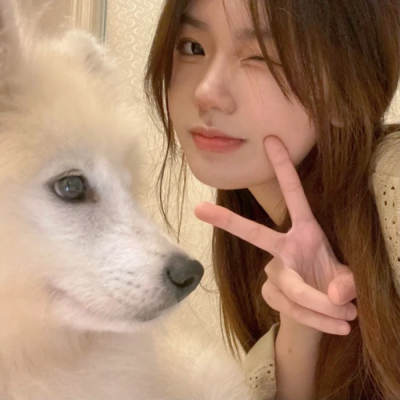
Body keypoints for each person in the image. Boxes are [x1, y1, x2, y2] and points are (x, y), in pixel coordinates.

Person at [144, 0, 400, 399]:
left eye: (261, 57)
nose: (207, 92)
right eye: (193, 47)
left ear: (346, 93)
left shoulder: (392, 179)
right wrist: (301, 335)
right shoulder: (255, 233)